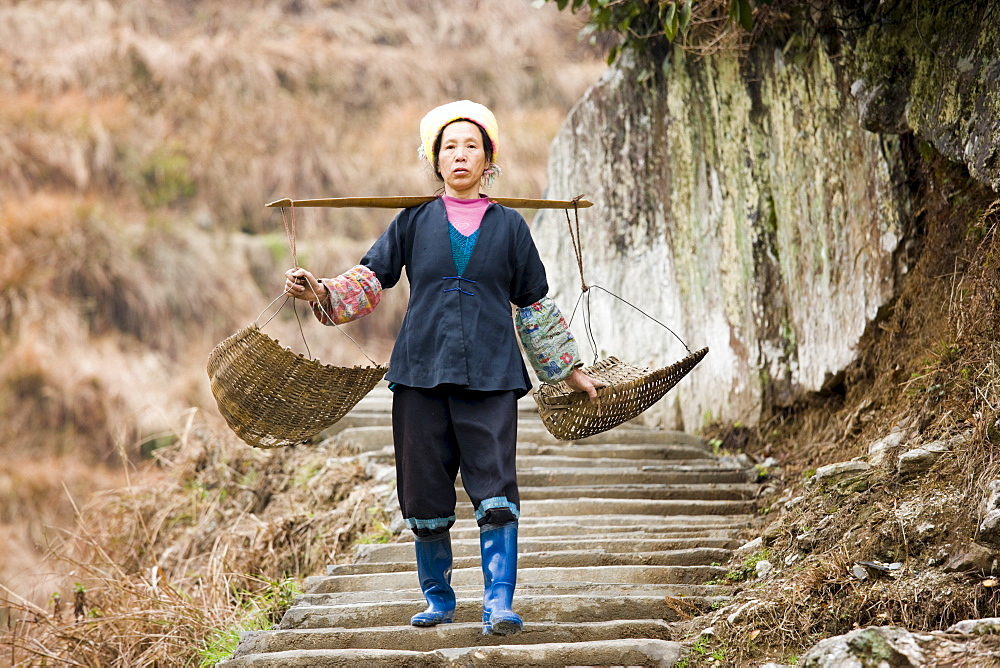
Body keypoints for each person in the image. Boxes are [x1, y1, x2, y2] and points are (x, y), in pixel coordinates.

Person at [283, 100, 603, 636]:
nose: (460, 155)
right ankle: (438, 598)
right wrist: (318, 290)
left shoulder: (511, 227)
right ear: (436, 159)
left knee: (496, 488)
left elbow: (534, 305)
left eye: (471, 146)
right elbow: (369, 281)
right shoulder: (411, 221)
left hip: (493, 376)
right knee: (424, 491)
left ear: (488, 160)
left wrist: (569, 371)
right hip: (420, 375)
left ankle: (498, 603)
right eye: (450, 146)